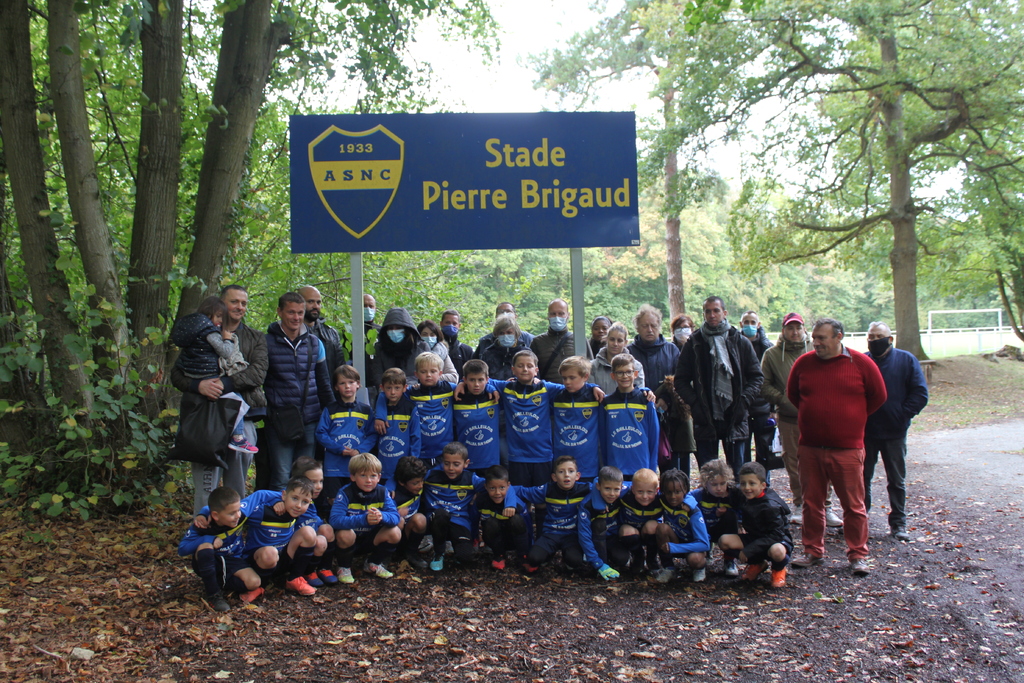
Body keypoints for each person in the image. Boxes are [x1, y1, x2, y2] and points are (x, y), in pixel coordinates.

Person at [787, 318, 887, 577]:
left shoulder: (861, 363)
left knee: (853, 505)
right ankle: (812, 550)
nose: (816, 343)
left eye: (822, 338)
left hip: (847, 449)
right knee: (811, 503)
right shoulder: (803, 363)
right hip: (810, 447)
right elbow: (793, 395)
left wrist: (851, 418)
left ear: (838, 337)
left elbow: (878, 396)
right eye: (814, 338)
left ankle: (858, 555)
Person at [172, 284, 267, 514]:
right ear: (220, 305)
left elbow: (258, 373)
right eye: (234, 302)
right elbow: (177, 373)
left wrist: (223, 385)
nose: (239, 307)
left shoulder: (255, 337)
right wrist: (198, 385)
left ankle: (234, 529)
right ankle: (204, 529)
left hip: (241, 419)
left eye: (244, 303)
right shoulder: (199, 334)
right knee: (206, 487)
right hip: (204, 418)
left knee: (237, 485)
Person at [761, 312, 842, 526]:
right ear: (783, 330)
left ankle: (826, 506)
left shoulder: (818, 350)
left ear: (804, 329)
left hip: (820, 417)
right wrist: (783, 399)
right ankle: (800, 503)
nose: (795, 332)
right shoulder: (772, 355)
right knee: (794, 462)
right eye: (790, 328)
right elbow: (764, 384)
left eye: (798, 327)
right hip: (790, 418)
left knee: (823, 461)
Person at [673, 296, 764, 479]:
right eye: (708, 311)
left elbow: (756, 377)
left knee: (737, 475)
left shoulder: (740, 341)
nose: (712, 315)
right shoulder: (694, 343)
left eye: (716, 310)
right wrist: (695, 405)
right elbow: (680, 380)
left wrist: (743, 402)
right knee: (709, 476)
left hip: (735, 417)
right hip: (705, 418)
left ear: (724, 313)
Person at [864, 321, 929, 542]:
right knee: (862, 479)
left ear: (890, 339)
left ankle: (899, 523)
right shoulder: (863, 361)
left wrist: (902, 415)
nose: (875, 340)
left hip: (895, 432)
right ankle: (860, 520)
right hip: (866, 432)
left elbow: (920, 394)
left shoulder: (906, 360)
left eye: (879, 336)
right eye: (871, 337)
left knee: (897, 480)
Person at [263, 292, 334, 491]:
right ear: (279, 312)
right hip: (280, 420)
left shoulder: (314, 343)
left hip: (310, 418)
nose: (296, 318)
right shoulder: (266, 343)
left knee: (305, 477)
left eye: (300, 313)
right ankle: (277, 511)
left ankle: (303, 511)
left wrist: (332, 413)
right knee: (281, 476)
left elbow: (323, 382)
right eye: (291, 312)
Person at [170, 296, 256, 454]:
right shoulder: (209, 332)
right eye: (218, 316)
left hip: (192, 374)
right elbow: (225, 352)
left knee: (188, 407)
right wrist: (228, 340)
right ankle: (238, 437)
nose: (220, 321)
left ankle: (180, 438)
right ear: (209, 314)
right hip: (208, 375)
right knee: (237, 400)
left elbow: (257, 373)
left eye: (243, 303)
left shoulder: (192, 335)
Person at [178, 486, 263, 611]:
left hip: (233, 559)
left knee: (254, 582)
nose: (237, 515)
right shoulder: (203, 524)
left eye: (238, 510)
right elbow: (182, 549)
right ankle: (213, 595)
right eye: (231, 513)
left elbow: (260, 495)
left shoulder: (240, 514)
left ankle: (214, 582)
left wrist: (281, 499)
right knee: (205, 546)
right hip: (211, 559)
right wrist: (208, 539)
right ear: (215, 515)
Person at [241, 477, 320, 596]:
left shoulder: (299, 511)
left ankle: (294, 578)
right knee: (270, 553)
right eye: (295, 498)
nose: (299, 505)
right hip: (258, 561)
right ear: (284, 495)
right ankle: (260, 586)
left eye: (305, 502)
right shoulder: (264, 511)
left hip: (282, 557)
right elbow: (238, 515)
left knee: (309, 532)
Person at [718, 462, 793, 588]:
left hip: (775, 540)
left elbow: (777, 535)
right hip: (754, 536)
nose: (747, 487)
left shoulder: (771, 506)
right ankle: (758, 564)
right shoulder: (744, 494)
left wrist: (750, 550)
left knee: (777, 551)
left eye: (752, 483)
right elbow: (728, 488)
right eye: (743, 483)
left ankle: (779, 569)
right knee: (724, 541)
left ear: (763, 485)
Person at [314, 365, 377, 514]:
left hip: (356, 466)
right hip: (334, 466)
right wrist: (339, 449)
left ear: (358, 384)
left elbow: (373, 434)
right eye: (342, 383)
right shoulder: (330, 410)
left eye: (351, 382)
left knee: (355, 500)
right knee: (334, 500)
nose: (347, 386)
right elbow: (321, 433)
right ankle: (336, 527)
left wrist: (359, 451)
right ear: (336, 387)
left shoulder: (366, 410)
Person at [330, 453, 402, 582]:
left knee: (395, 531)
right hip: (351, 538)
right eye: (363, 475)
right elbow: (335, 520)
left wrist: (382, 516)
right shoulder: (345, 493)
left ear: (379, 477)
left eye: (373, 476)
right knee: (344, 534)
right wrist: (363, 519)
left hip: (371, 539)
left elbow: (395, 517)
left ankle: (373, 563)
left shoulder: (382, 492)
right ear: (353, 476)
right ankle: (344, 567)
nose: (368, 480)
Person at [423, 442, 493, 571]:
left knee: (466, 558)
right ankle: (439, 553)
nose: (451, 468)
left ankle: (457, 550)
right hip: (436, 520)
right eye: (447, 463)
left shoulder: (471, 479)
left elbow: (496, 484)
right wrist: (391, 487)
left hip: (459, 520)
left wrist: (511, 501)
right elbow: (406, 478)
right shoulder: (430, 476)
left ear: (466, 463)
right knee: (441, 514)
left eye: (456, 464)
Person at [518, 455, 591, 573]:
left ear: (577, 476)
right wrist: (508, 499)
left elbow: (603, 486)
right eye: (561, 472)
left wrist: (602, 504)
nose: (566, 475)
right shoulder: (547, 489)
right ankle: (548, 555)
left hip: (572, 534)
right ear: (554, 477)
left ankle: (569, 561)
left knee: (575, 561)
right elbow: (520, 491)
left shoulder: (586, 489)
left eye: (571, 471)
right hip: (551, 533)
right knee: (534, 558)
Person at [368, 307, 457, 396]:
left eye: (398, 328)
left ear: (407, 329)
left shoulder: (421, 347)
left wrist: (411, 386)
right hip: (389, 396)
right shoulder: (380, 348)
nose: (394, 331)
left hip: (417, 395)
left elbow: (428, 373)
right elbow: (377, 375)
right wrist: (387, 391)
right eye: (391, 328)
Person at [600, 353, 659, 479]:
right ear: (613, 376)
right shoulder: (606, 403)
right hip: (615, 468)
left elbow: (654, 436)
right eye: (620, 372)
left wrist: (652, 469)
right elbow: (603, 438)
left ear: (635, 374)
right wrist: (606, 465)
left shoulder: (646, 401)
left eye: (628, 372)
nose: (625, 376)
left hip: (641, 466)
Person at [289, 457, 339, 587]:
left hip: (310, 539)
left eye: (321, 481)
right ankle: (307, 572)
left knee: (326, 529)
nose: (318, 486)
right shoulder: (290, 500)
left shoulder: (311, 501)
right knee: (319, 539)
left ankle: (324, 568)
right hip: (294, 546)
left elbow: (313, 519)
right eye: (313, 482)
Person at [653, 469, 710, 583]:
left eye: (677, 492)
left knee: (695, 559)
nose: (673, 496)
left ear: (685, 491)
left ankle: (699, 568)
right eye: (669, 492)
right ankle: (668, 568)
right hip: (675, 541)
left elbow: (704, 544)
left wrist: (674, 548)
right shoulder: (663, 500)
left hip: (693, 547)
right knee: (661, 528)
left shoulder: (692, 511)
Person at [690, 459, 744, 576]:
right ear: (705, 483)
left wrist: (730, 513)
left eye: (723, 483)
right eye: (714, 485)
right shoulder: (700, 494)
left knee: (731, 516)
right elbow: (687, 498)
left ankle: (729, 560)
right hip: (705, 529)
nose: (719, 488)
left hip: (723, 530)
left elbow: (742, 511)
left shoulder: (734, 495)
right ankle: (704, 554)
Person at [552, 356, 602, 480]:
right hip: (561, 461)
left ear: (585, 376)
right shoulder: (556, 395)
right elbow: (537, 386)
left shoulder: (595, 397)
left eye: (572, 377)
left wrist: (644, 390)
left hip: (588, 463)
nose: (567, 382)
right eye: (564, 378)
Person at [739, 310, 775, 480]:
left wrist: (773, 409)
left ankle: (763, 484)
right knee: (743, 452)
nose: (749, 325)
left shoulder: (768, 348)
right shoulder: (734, 344)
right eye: (746, 322)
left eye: (753, 322)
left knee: (764, 450)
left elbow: (774, 380)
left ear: (758, 325)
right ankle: (745, 483)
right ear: (741, 324)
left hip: (763, 408)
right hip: (742, 408)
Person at [478, 464, 531, 570]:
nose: (497, 493)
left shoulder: (517, 503)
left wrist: (530, 546)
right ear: (486, 487)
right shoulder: (482, 501)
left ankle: (523, 556)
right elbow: (476, 520)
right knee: (490, 523)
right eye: (492, 488)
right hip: (496, 539)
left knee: (516, 520)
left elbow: (527, 525)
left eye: (502, 488)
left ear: (508, 485)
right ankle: (499, 555)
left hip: (515, 538)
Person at [578, 466, 628, 580]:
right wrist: (598, 563)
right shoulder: (587, 504)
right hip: (596, 539)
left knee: (622, 559)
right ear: (598, 486)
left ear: (621, 487)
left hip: (613, 537)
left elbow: (638, 484)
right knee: (599, 523)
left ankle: (609, 556)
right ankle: (597, 561)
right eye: (607, 489)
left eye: (616, 489)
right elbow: (584, 535)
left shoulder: (623, 494)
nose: (612, 494)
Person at [453, 359, 502, 475]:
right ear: (465, 380)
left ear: (487, 380)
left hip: (491, 462)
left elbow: (515, 383)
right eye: (472, 380)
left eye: (480, 380)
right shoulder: (455, 398)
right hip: (465, 463)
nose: (476, 384)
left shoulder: (495, 397)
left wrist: (490, 387)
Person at [374, 368, 421, 482]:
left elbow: (416, 437)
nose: (393, 392)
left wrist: (412, 461)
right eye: (388, 388)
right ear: (382, 388)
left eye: (397, 388)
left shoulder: (410, 408)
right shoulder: (379, 412)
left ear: (404, 388)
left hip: (403, 467)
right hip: (382, 466)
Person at [532, 298, 593, 383]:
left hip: (576, 389)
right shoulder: (537, 342)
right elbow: (532, 371)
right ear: (548, 316)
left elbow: (591, 368)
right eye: (553, 314)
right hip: (548, 389)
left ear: (568, 315)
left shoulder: (579, 339)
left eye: (561, 313)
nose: (557, 317)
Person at [617, 468, 663, 574]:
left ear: (657, 490)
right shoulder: (624, 494)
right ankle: (638, 556)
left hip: (648, 531)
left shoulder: (661, 499)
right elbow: (602, 490)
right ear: (633, 489)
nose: (645, 496)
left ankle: (652, 558)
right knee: (626, 531)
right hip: (630, 530)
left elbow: (683, 497)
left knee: (653, 526)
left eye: (649, 492)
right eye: (640, 492)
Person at [299, 285, 346, 382]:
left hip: (328, 389)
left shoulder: (331, 334)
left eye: (318, 302)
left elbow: (341, 369)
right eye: (310, 302)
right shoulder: (291, 333)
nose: (315, 306)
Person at [391, 456, 429, 570]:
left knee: (420, 519)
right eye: (415, 483)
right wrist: (396, 514)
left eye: (421, 481)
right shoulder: (392, 495)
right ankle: (389, 555)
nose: (420, 485)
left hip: (410, 531)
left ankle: (411, 553)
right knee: (399, 521)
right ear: (402, 482)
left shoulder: (419, 488)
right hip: (393, 533)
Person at [628, 304, 679, 387]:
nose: (649, 330)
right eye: (645, 326)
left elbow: (680, 379)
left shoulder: (672, 350)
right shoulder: (629, 352)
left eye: (653, 326)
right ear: (637, 328)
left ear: (659, 327)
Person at [590, 322, 646, 393]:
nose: (615, 344)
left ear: (625, 343)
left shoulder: (636, 366)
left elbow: (639, 393)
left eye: (619, 341)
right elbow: (589, 392)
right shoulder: (593, 366)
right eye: (612, 339)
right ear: (606, 340)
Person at [478, 314, 529, 381]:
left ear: (516, 333)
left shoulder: (526, 353)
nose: (505, 335)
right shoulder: (488, 353)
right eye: (501, 333)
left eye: (509, 332)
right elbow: (482, 377)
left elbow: (532, 377)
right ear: (497, 334)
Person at [440, 309, 475, 379]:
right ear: (441, 324)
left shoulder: (466, 350)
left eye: (454, 323)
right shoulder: (434, 347)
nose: (451, 326)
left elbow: (472, 374)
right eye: (447, 322)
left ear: (459, 326)